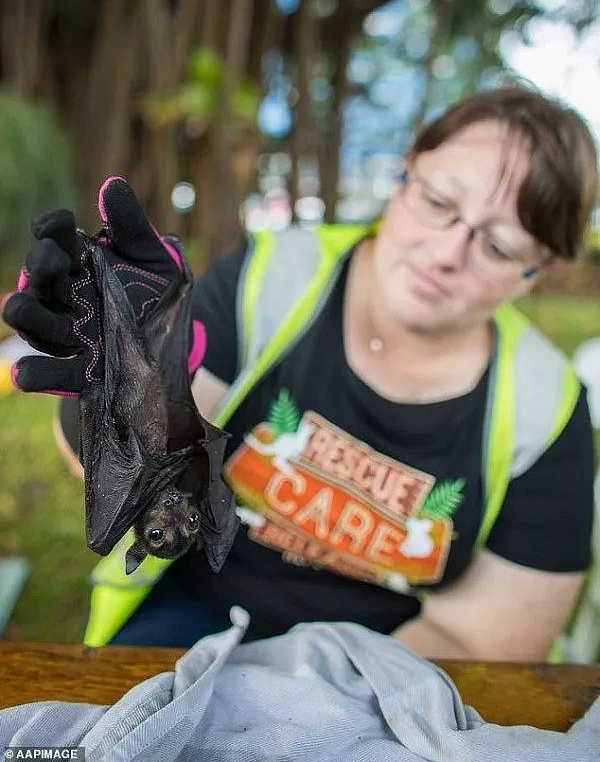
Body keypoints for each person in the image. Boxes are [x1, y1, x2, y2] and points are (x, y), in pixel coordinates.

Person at [6, 86, 599, 661]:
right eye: (439, 202)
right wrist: (122, 390)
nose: (446, 253)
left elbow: (486, 641)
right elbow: (134, 473)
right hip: (195, 615)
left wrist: (307, 704)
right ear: (406, 172)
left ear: (536, 270)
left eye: (497, 247)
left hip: (388, 673)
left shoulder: (546, 406)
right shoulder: (272, 277)